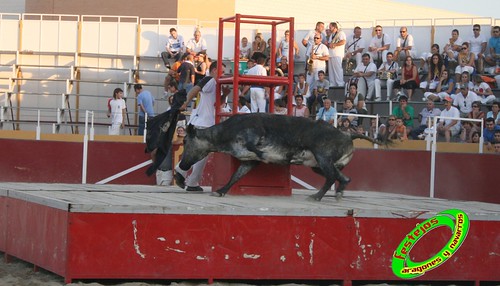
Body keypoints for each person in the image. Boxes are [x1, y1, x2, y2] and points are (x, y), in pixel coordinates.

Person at [175, 61, 231, 192]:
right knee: (202, 153)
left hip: (201, 122)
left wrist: (225, 95)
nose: (222, 74)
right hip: (204, 123)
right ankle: (184, 173)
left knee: (200, 153)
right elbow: (195, 89)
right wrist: (185, 102)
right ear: (213, 70)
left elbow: (217, 104)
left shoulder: (216, 84)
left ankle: (186, 175)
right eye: (221, 71)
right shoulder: (210, 80)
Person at [326, 21, 346, 87]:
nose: (329, 29)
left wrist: (335, 44)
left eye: (330, 27)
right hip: (331, 54)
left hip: (337, 54)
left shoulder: (340, 33)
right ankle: (332, 83)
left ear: (335, 27)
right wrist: (328, 44)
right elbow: (330, 44)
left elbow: (343, 41)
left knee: (338, 69)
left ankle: (340, 83)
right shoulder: (332, 35)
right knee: (331, 70)